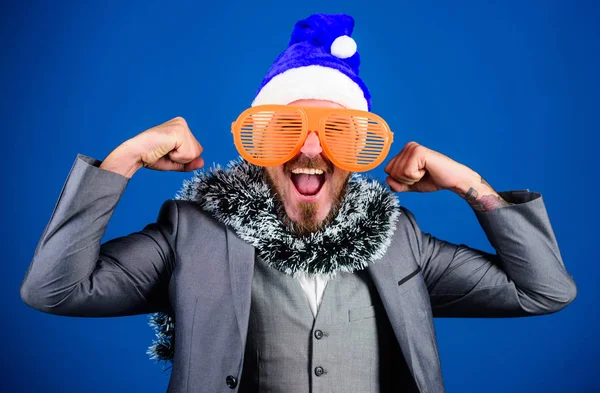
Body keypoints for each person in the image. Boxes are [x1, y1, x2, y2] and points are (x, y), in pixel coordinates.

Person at [20, 13, 576, 393]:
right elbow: (55, 290)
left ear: (359, 148)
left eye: (336, 131)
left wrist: (470, 184)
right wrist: (127, 157)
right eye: (284, 129)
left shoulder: (399, 240)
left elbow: (543, 290)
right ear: (257, 147)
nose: (310, 149)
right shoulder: (195, 235)